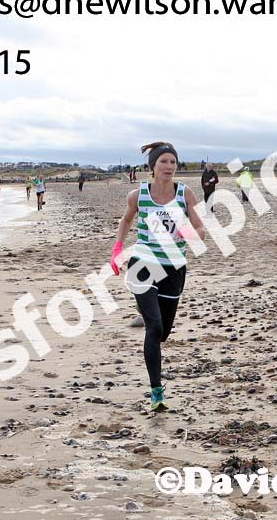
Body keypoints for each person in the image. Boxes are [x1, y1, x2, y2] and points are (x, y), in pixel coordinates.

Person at [109, 141, 206, 411]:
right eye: (163, 161)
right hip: (143, 264)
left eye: (173, 162)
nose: (169, 167)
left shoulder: (185, 194)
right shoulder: (137, 195)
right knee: (154, 327)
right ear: (152, 166)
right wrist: (118, 248)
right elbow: (126, 220)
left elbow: (201, 230)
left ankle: (143, 306)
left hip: (173, 268)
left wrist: (183, 233)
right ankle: (156, 392)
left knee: (162, 334)